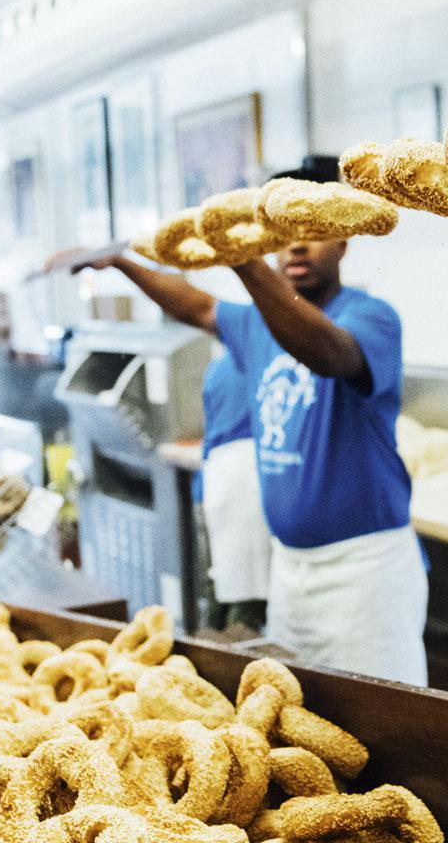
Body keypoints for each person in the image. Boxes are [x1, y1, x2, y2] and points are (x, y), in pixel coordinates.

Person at [46, 182, 428, 684]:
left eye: (313, 234)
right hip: (290, 569)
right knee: (308, 712)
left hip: (364, 573)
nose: (295, 246)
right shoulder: (257, 323)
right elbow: (197, 306)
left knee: (389, 722)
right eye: (282, 236)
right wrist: (122, 263)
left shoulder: (370, 317)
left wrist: (243, 258)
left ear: (343, 243)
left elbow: (328, 354)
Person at [197, 348, 271, 631]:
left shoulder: (220, 365)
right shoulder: (267, 362)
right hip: (246, 487)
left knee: (218, 593)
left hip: (213, 483)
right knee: (246, 606)